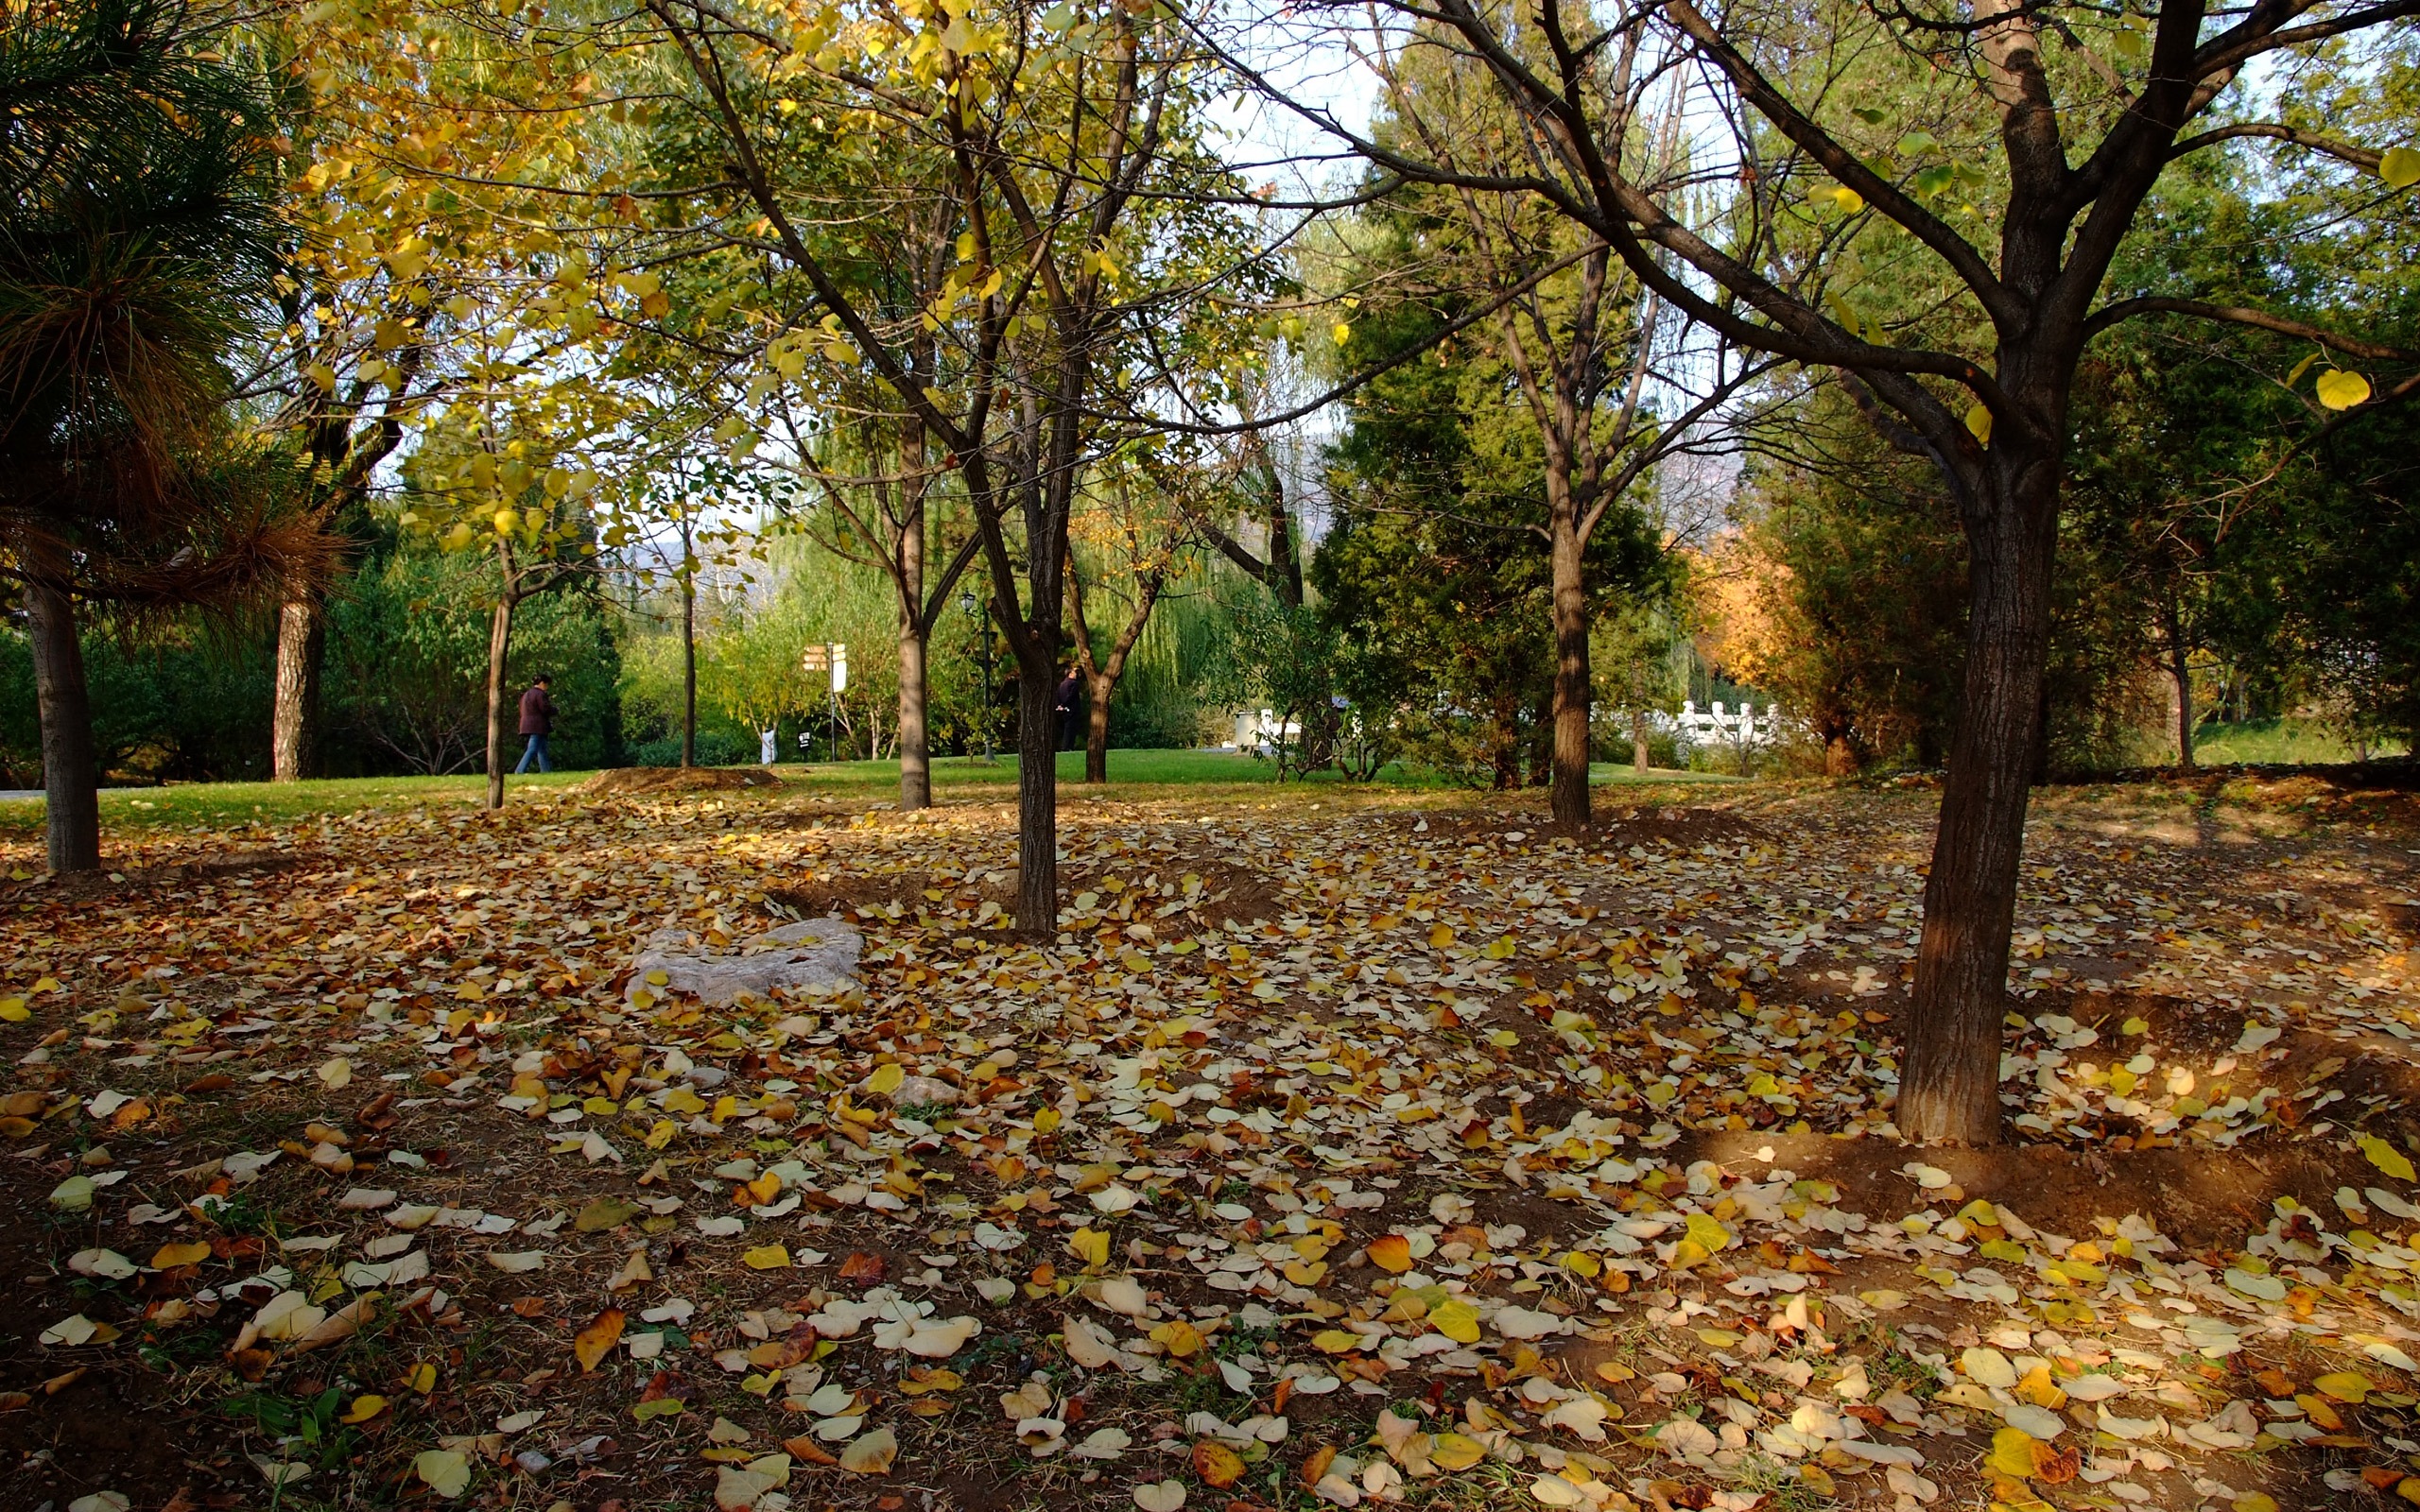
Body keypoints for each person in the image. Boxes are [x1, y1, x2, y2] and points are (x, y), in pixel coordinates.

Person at [514, 674, 555, 774]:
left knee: (542, 749)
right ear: (542, 683)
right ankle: (520, 770)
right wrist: (554, 710)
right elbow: (545, 709)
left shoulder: (526, 694)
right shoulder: (540, 694)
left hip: (526, 724)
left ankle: (546, 770)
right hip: (538, 725)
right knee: (532, 749)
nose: (547, 687)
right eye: (546, 684)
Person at [1053, 664, 1081, 751]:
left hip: (1063, 710)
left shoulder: (1061, 684)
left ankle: (1066, 746)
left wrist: (1059, 705)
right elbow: (1071, 696)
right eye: (1074, 672)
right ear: (1070, 674)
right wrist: (1064, 704)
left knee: (1067, 727)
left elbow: (1057, 696)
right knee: (1071, 729)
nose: (1076, 674)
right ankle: (1067, 746)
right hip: (1072, 709)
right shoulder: (1074, 684)